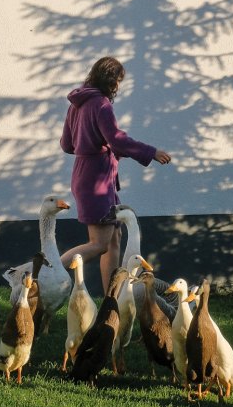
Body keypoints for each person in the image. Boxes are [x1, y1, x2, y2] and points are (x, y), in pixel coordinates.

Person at [59, 56, 171, 293]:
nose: (119, 86)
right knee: (99, 244)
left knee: (113, 240)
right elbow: (117, 140)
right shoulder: (101, 104)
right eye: (118, 80)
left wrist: (91, 144)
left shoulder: (76, 105)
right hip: (96, 180)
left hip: (86, 175)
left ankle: (113, 299)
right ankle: (48, 272)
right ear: (110, 80)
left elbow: (67, 145)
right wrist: (151, 152)